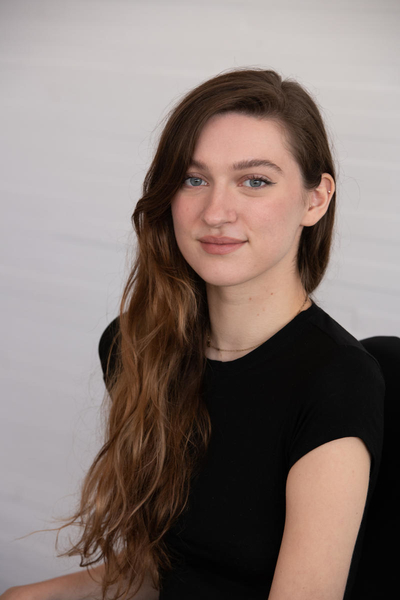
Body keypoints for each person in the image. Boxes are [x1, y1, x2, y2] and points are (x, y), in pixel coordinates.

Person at [1, 68, 385, 600]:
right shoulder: (136, 346)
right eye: (193, 178)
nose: (215, 213)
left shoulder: (337, 381)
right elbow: (159, 572)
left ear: (315, 200)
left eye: (255, 181)